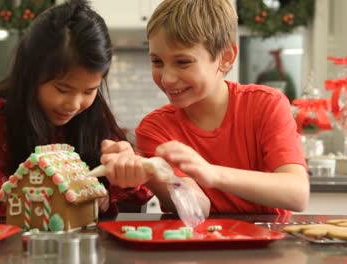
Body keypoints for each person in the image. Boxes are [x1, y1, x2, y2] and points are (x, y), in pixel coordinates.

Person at [101, 0, 309, 215]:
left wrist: (212, 174)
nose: (167, 78)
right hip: (196, 245)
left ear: (226, 58)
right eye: (157, 61)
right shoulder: (155, 129)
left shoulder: (266, 104)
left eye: (183, 62)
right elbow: (198, 208)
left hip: (269, 244)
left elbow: (297, 194)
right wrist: (150, 171)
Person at [0, 0, 152, 218]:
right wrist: (91, 201)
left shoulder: (94, 116)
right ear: (31, 73)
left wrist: (128, 174)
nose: (74, 105)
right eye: (62, 89)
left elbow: (137, 197)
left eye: (88, 91)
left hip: (81, 248)